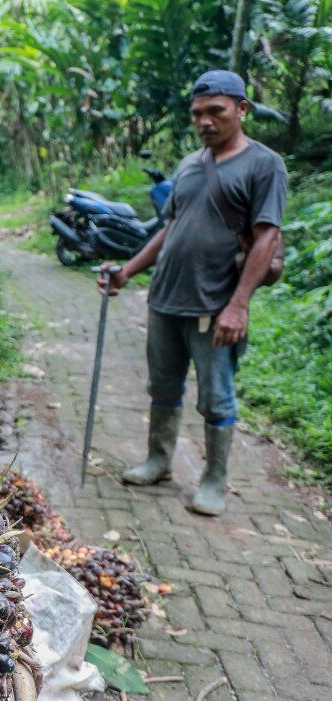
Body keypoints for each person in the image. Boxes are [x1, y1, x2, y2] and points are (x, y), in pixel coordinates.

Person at [98, 70, 286, 516]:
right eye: (198, 114)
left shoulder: (264, 164)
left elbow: (266, 238)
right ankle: (159, 460)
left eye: (216, 111)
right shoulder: (188, 164)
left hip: (215, 304)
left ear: (242, 109)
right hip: (165, 298)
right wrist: (127, 271)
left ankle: (215, 481)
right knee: (162, 385)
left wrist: (239, 305)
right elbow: (170, 228)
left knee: (215, 394)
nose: (205, 122)